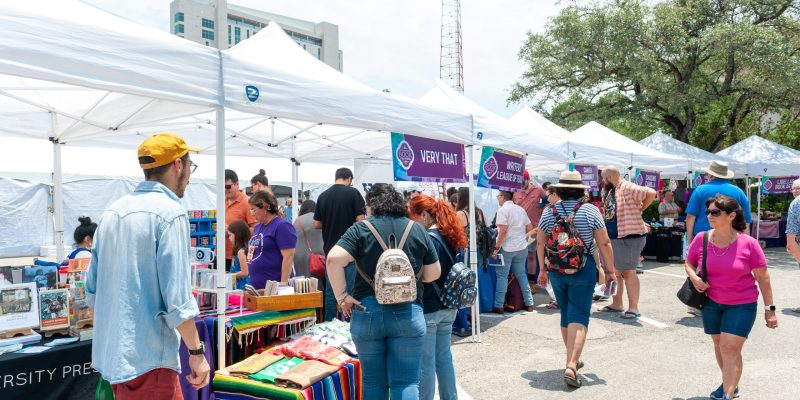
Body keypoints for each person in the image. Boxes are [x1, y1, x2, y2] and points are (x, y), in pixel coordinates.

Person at [86, 132, 209, 398]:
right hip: (149, 361)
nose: (190, 174)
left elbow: (91, 289)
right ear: (177, 165)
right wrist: (197, 353)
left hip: (113, 360)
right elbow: (177, 299)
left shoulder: (112, 212)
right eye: (190, 166)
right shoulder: (170, 212)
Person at [326, 183, 441, 400]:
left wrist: (342, 297)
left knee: (373, 382)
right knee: (406, 382)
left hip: (367, 312)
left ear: (371, 206)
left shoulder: (360, 229)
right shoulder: (416, 228)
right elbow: (433, 273)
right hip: (409, 313)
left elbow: (333, 259)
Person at [684, 195, 777, 400]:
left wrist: (770, 310)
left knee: (729, 347)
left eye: (715, 212)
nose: (709, 216)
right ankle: (730, 384)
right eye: (708, 212)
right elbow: (689, 263)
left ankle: (727, 394)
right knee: (720, 345)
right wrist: (694, 278)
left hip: (742, 304)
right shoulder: (702, 238)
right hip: (711, 303)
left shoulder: (749, 244)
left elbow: (763, 278)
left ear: (731, 215)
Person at [536, 170, 617, 389]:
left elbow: (540, 243)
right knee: (579, 314)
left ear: (559, 190)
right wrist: (610, 271)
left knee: (566, 314)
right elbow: (604, 242)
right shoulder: (590, 210)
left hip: (555, 268)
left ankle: (571, 357)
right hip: (584, 267)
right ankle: (571, 364)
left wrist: (542, 270)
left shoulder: (549, 211)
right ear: (580, 190)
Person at [408, 195, 467, 400]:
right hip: (449, 305)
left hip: (430, 306)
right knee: (444, 358)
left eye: (412, 216)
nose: (411, 222)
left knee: (427, 361)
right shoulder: (447, 235)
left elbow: (425, 274)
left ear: (424, 215)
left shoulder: (429, 239)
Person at [685, 161, 752, 316]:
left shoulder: (701, 190)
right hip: (732, 237)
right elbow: (746, 220)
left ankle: (697, 303)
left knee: (699, 271)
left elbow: (690, 217)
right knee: (728, 271)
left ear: (710, 174)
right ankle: (729, 303)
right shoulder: (738, 192)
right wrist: (746, 241)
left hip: (705, 238)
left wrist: (690, 239)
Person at [600, 165, 656, 319]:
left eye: (603, 178)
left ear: (609, 177)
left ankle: (633, 308)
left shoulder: (628, 186)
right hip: (616, 236)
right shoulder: (613, 189)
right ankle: (617, 304)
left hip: (629, 237)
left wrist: (641, 209)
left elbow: (651, 192)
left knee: (628, 272)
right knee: (615, 272)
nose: (602, 181)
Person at [314, 167, 366, 321]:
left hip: (330, 250)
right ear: (349, 178)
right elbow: (361, 222)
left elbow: (316, 224)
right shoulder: (354, 193)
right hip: (349, 251)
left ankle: (330, 323)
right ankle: (348, 326)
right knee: (348, 291)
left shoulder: (323, 196)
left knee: (331, 291)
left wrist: (330, 221)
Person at [492, 190, 536, 314]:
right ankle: (529, 303)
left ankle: (498, 305)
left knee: (502, 276)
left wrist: (495, 249)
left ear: (502, 197)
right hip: (521, 247)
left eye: (498, 196)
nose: (497, 199)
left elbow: (503, 231)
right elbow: (530, 228)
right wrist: (521, 237)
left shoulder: (502, 210)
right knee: (521, 275)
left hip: (506, 248)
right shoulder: (520, 209)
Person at [456, 187, 494, 315]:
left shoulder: (461, 214)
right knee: (476, 282)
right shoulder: (479, 212)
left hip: (465, 252)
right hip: (479, 251)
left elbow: (455, 234)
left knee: (465, 283)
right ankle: (476, 310)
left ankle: (466, 313)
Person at [247, 191, 297, 288]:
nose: (252, 214)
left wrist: (283, 285)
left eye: (254, 210)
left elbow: (288, 256)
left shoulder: (282, 226)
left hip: (274, 288)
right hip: (257, 287)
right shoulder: (258, 227)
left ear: (266, 207)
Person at [513, 170, 547, 293]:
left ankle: (531, 282)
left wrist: (543, 215)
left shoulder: (538, 191)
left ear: (528, 179)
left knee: (532, 255)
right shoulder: (515, 193)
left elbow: (547, 204)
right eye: (519, 182)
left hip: (534, 229)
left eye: (523, 181)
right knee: (519, 256)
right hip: (519, 229)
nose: (521, 184)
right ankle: (519, 282)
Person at [225, 169, 256, 269]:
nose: (225, 189)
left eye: (228, 186)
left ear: (237, 184)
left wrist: (232, 231)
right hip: (222, 253)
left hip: (238, 257)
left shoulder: (247, 202)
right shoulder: (222, 201)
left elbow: (256, 229)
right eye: (221, 187)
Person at [294, 200, 324, 278]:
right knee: (319, 283)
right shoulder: (319, 220)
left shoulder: (297, 221)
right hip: (319, 256)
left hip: (299, 256)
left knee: (303, 284)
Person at [784, 178, 800, 312]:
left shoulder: (796, 204)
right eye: (793, 188)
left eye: (798, 188)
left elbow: (791, 235)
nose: (795, 191)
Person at [227, 220, 251, 290]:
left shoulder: (241, 252)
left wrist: (229, 275)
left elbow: (245, 272)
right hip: (238, 284)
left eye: (230, 235)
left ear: (237, 235)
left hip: (241, 286)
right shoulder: (241, 250)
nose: (229, 238)